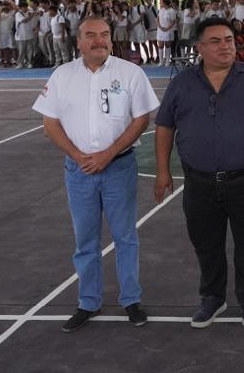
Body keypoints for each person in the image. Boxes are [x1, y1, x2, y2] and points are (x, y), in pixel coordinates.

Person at [32, 16, 160, 332]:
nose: (99, 40)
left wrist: (108, 154)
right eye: (91, 35)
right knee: (85, 240)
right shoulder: (62, 75)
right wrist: (78, 157)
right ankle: (88, 302)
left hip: (119, 168)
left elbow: (141, 119)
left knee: (125, 236)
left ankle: (131, 300)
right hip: (79, 172)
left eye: (104, 34)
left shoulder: (130, 73)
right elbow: (50, 124)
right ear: (78, 41)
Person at [153, 17, 244, 328]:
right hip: (198, 182)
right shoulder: (182, 83)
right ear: (199, 48)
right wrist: (162, 171)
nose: (225, 46)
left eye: (229, 40)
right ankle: (212, 297)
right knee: (206, 243)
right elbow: (165, 125)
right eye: (216, 41)